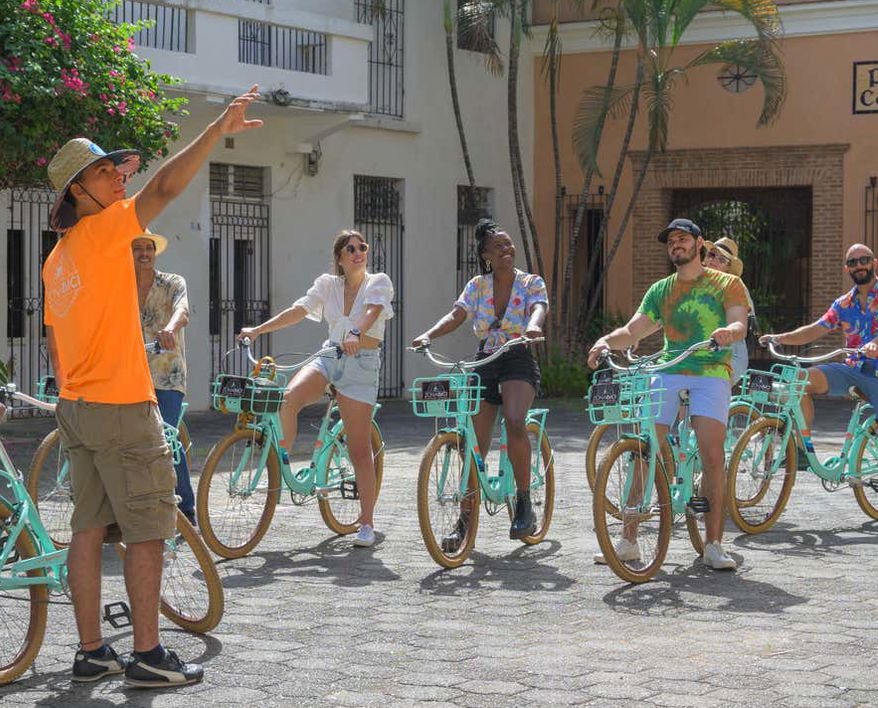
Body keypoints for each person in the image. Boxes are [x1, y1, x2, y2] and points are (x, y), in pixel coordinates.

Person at [42, 85, 262, 687]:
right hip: (119, 406)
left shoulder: (55, 259)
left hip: (78, 408)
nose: (117, 177)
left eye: (115, 168)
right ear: (76, 191)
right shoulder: (108, 229)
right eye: (103, 171)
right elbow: (164, 188)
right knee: (148, 530)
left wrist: (75, 393)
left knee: (86, 529)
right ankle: (146, 655)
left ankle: (91, 651)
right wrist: (218, 129)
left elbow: (57, 347)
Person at [587, 218, 748, 570]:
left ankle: (714, 544)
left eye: (683, 239)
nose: (676, 244)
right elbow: (633, 331)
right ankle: (628, 540)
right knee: (645, 448)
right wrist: (604, 342)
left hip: (710, 372)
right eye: (671, 241)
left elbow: (739, 322)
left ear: (699, 243)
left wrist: (728, 332)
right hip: (669, 369)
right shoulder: (661, 290)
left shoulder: (727, 283)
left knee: (711, 453)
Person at [240, 230, 394, 548]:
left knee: (359, 449)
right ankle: (280, 462)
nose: (358, 252)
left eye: (362, 247)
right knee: (287, 400)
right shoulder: (328, 284)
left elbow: (372, 311)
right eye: (350, 248)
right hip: (329, 355)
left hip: (361, 364)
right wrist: (257, 330)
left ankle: (366, 523)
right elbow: (298, 310)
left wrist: (354, 332)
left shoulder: (378, 281)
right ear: (339, 257)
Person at [411, 218, 548, 547]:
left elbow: (539, 307)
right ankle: (464, 521)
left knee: (515, 421)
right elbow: (457, 314)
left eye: (509, 244)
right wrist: (428, 334)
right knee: (473, 443)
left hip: (517, 355)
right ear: (486, 255)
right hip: (485, 359)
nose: (507, 249)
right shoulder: (477, 285)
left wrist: (532, 326)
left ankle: (525, 505)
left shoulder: (531, 282)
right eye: (499, 246)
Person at [759, 243, 878, 533]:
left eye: (864, 260)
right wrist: (778, 337)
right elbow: (817, 328)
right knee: (799, 380)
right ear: (847, 269)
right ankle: (803, 448)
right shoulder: (844, 303)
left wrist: (875, 344)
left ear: (874, 263)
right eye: (853, 262)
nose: (859, 266)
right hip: (851, 369)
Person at [133, 230, 196, 526]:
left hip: (167, 373)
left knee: (167, 436)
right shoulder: (120, 286)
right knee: (128, 439)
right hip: (130, 373)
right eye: (137, 248)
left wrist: (170, 328)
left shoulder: (172, 282)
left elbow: (182, 310)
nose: (144, 253)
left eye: (148, 247)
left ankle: (187, 511)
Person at [703, 237, 756, 381]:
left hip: (730, 351)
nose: (714, 260)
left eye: (722, 260)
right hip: (704, 349)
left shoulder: (733, 285)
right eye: (712, 255)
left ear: (728, 267)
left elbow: (738, 321)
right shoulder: (699, 283)